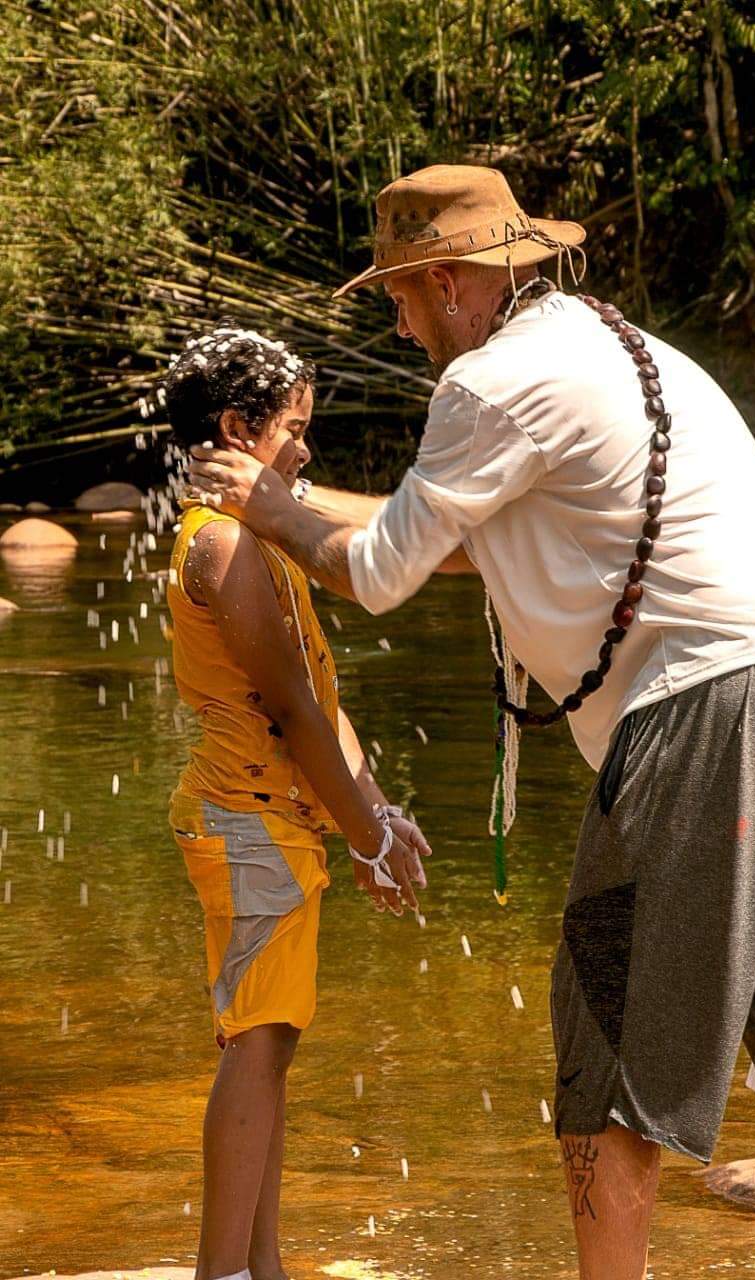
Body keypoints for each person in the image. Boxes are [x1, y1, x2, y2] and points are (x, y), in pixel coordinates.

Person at [187, 167, 755, 1279]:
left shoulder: (485, 383)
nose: (395, 320)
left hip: (707, 698)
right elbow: (436, 533)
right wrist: (286, 503)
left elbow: (382, 569)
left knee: (605, 1030)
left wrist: (265, 504)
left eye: (398, 293)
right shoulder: (598, 338)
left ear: (448, 280)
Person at [164, 325, 431, 1280]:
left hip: (270, 823)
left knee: (265, 1048)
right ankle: (222, 1271)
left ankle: (262, 1265)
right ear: (238, 429)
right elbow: (285, 707)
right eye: (293, 429)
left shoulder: (261, 537)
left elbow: (323, 699)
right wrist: (366, 838)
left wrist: (376, 817)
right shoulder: (223, 546)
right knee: (257, 1046)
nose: (307, 449)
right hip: (246, 823)